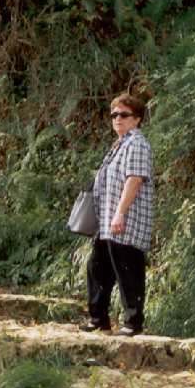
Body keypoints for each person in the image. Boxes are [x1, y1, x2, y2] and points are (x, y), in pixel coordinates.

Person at [81, 93, 154, 337]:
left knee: (128, 269)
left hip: (127, 220)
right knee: (97, 267)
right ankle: (98, 319)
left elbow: (134, 179)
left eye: (124, 114)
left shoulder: (137, 144)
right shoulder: (120, 144)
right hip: (108, 221)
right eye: (114, 115)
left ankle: (133, 323)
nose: (117, 119)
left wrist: (120, 213)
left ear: (137, 119)